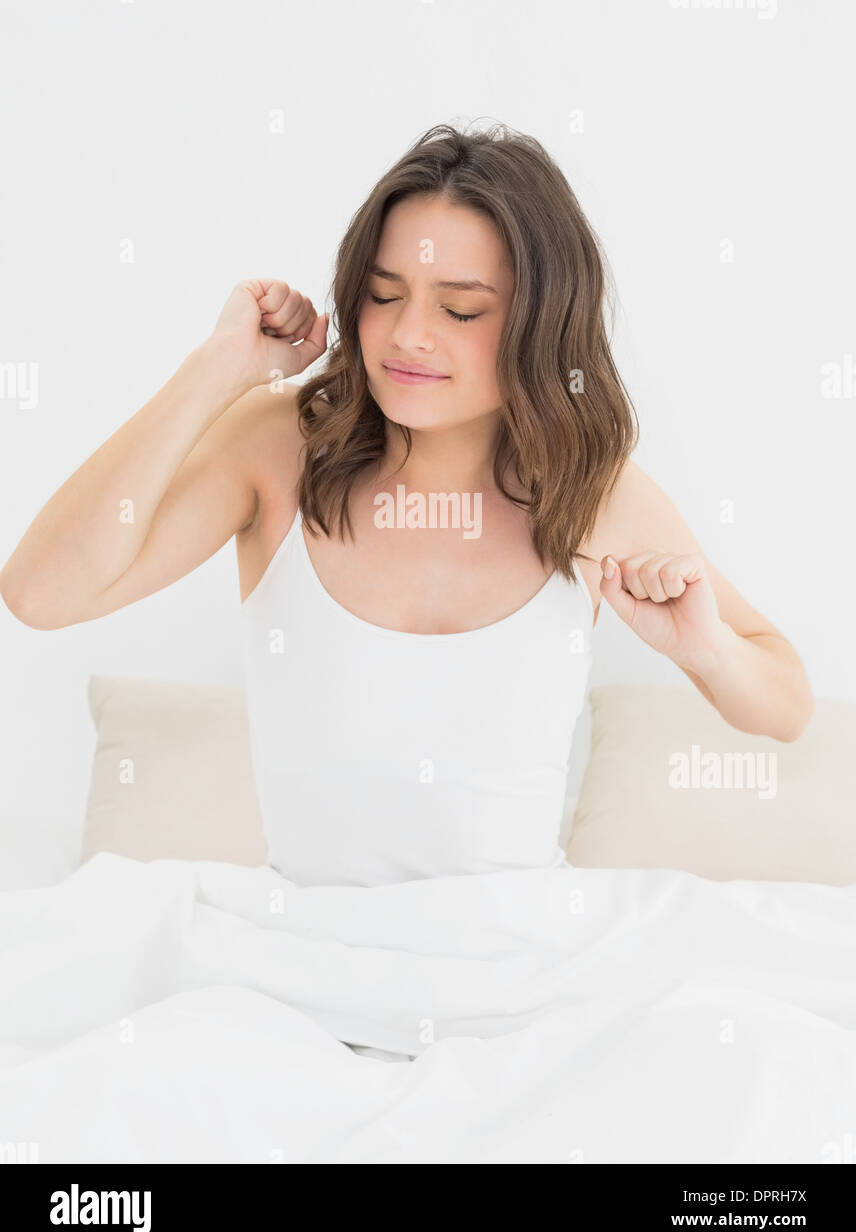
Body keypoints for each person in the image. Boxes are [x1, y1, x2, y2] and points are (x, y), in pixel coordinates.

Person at [0, 123, 814, 889]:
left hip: (517, 966)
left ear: (541, 323)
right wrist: (218, 369)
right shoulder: (280, 448)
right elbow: (41, 593)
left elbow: (784, 705)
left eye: (460, 310)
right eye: (384, 295)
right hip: (301, 959)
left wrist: (708, 649)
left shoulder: (592, 491)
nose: (407, 336)